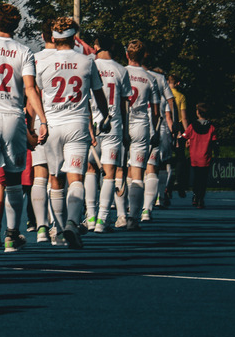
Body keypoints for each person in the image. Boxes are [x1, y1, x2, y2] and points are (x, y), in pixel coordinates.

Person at [0, 3, 47, 253]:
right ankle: (11, 236)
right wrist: (43, 121)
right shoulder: (24, 51)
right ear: (16, 25)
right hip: (13, 117)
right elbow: (30, 89)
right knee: (13, 179)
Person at [35, 17, 111, 248]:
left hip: (53, 124)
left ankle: (58, 231)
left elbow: (36, 95)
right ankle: (71, 223)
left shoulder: (43, 63)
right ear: (74, 36)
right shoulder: (87, 62)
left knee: (55, 179)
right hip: (77, 124)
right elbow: (98, 95)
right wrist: (105, 117)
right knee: (75, 176)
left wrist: (41, 121)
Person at [90, 34, 132, 233]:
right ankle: (102, 220)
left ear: (96, 46)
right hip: (113, 124)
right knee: (109, 173)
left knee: (89, 170)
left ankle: (90, 216)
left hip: (91, 123)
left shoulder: (90, 64)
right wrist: (125, 129)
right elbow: (125, 104)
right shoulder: (121, 69)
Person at [123, 39, 161, 231]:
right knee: (138, 171)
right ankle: (133, 217)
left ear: (127, 55)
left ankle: (120, 214)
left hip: (122, 124)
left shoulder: (121, 72)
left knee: (117, 171)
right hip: (141, 125)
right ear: (143, 55)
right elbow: (155, 111)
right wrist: (155, 131)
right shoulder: (150, 78)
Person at [30, 20, 57, 243]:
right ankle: (58, 225)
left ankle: (41, 227)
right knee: (58, 178)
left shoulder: (35, 58)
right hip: (63, 121)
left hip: (40, 120)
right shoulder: (74, 58)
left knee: (40, 175)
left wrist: (31, 122)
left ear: (42, 36)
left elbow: (31, 94)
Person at [144, 66, 176, 219]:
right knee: (160, 164)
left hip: (142, 127)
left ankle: (138, 202)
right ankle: (158, 198)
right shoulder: (163, 98)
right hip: (160, 130)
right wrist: (174, 132)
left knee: (139, 167)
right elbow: (168, 117)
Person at [185, 102, 218, 208]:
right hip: (206, 157)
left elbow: (184, 137)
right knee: (203, 179)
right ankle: (200, 199)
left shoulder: (192, 126)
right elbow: (214, 143)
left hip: (194, 157)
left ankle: (195, 195)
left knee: (196, 177)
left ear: (198, 113)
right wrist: (216, 153)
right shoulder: (212, 127)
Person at [167, 74, 191, 199]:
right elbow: (184, 117)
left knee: (167, 158)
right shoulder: (181, 96)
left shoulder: (163, 93)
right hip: (178, 127)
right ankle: (180, 184)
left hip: (165, 126)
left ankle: (167, 186)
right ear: (177, 83)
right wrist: (188, 134)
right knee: (180, 157)